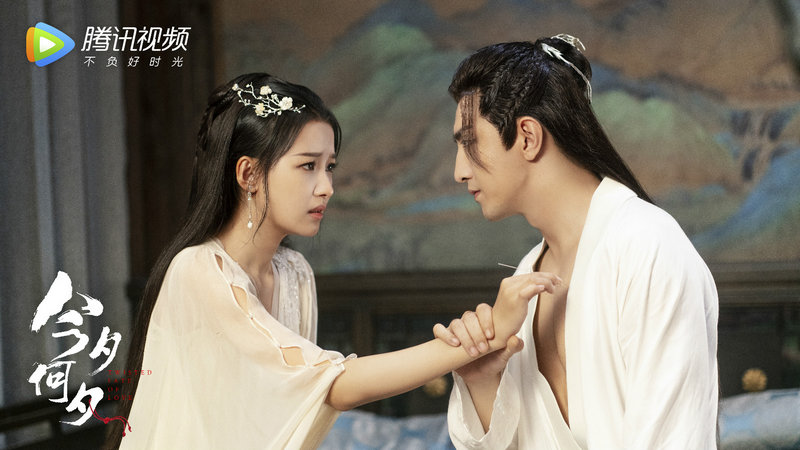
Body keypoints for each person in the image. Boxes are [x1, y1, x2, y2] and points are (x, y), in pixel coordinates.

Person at [106, 73, 557, 450]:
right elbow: (332, 385)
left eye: (330, 167)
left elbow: (299, 409)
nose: (326, 187)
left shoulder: (293, 274)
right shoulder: (198, 270)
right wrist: (482, 336)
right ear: (248, 173)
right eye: (308, 166)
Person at [433, 35, 719, 449]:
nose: (459, 171)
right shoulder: (527, 275)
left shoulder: (646, 246)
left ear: (527, 137)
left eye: (469, 142)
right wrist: (481, 382)